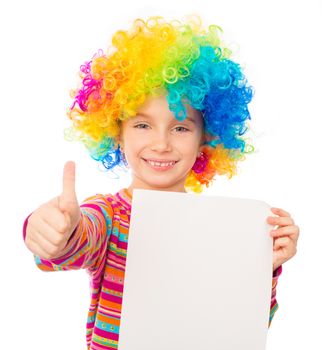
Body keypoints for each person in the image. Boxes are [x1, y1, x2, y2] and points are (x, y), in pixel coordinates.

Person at [22, 15, 300, 350]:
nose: (161, 143)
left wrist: (261, 266)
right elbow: (77, 237)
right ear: (117, 135)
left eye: (181, 127)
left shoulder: (220, 228)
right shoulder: (109, 215)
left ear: (205, 139)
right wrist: (54, 231)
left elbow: (246, 327)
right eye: (142, 125)